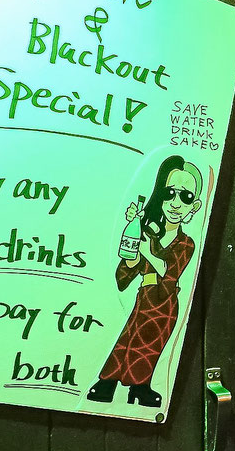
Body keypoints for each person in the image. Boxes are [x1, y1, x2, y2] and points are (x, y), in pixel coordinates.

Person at [88, 155, 206, 408]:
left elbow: (168, 273)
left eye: (184, 197)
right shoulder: (149, 231)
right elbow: (126, 273)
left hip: (164, 304)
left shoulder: (186, 243)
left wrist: (145, 246)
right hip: (144, 297)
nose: (175, 203)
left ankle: (139, 388)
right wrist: (133, 244)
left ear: (194, 206)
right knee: (127, 340)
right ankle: (107, 383)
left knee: (149, 347)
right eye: (169, 193)